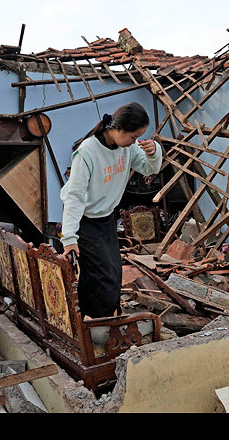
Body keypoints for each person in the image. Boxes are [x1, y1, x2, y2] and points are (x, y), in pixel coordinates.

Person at [60, 102, 162, 319]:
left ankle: (99, 319)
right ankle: (99, 324)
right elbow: (74, 196)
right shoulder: (87, 151)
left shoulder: (128, 148)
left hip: (106, 216)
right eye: (133, 136)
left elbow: (148, 168)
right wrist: (69, 237)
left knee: (113, 271)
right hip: (84, 219)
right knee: (101, 274)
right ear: (118, 129)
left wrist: (154, 153)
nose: (135, 142)